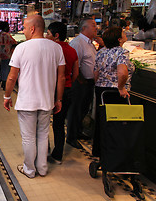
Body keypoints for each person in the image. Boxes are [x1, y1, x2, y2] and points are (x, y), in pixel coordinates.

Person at [3, 15, 65, 178]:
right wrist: (58, 99)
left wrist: (7, 96)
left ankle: (29, 170)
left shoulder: (22, 48)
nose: (23, 31)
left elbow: (12, 76)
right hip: (47, 101)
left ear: (32, 28)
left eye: (24, 28)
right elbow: (61, 77)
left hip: (27, 102)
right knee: (43, 135)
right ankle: (42, 168)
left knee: (29, 137)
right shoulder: (56, 48)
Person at [93, 26, 135, 157]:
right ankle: (115, 156)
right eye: (123, 33)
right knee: (117, 125)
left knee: (102, 123)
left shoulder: (101, 52)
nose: (125, 34)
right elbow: (122, 72)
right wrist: (121, 88)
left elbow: (95, 73)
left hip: (101, 90)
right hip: (115, 93)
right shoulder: (122, 52)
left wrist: (98, 85)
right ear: (118, 39)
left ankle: (99, 152)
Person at [46, 22, 79, 164]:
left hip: (50, 90)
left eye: (48, 34)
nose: (46, 36)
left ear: (56, 35)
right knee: (59, 124)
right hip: (67, 91)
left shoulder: (51, 50)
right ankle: (58, 155)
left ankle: (43, 152)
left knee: (43, 122)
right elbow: (75, 73)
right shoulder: (72, 51)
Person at [67, 17, 98, 149]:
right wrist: (80, 79)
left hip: (88, 82)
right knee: (76, 109)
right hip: (80, 82)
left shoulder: (90, 43)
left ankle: (79, 132)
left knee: (83, 109)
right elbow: (75, 64)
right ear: (84, 28)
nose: (96, 28)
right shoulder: (78, 42)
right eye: (93, 25)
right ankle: (71, 137)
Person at [0, 21, 17, 90]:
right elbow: (14, 42)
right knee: (6, 69)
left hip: (2, 53)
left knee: (3, 67)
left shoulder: (0, 34)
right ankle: (5, 84)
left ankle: (2, 80)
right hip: (7, 53)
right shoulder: (7, 35)